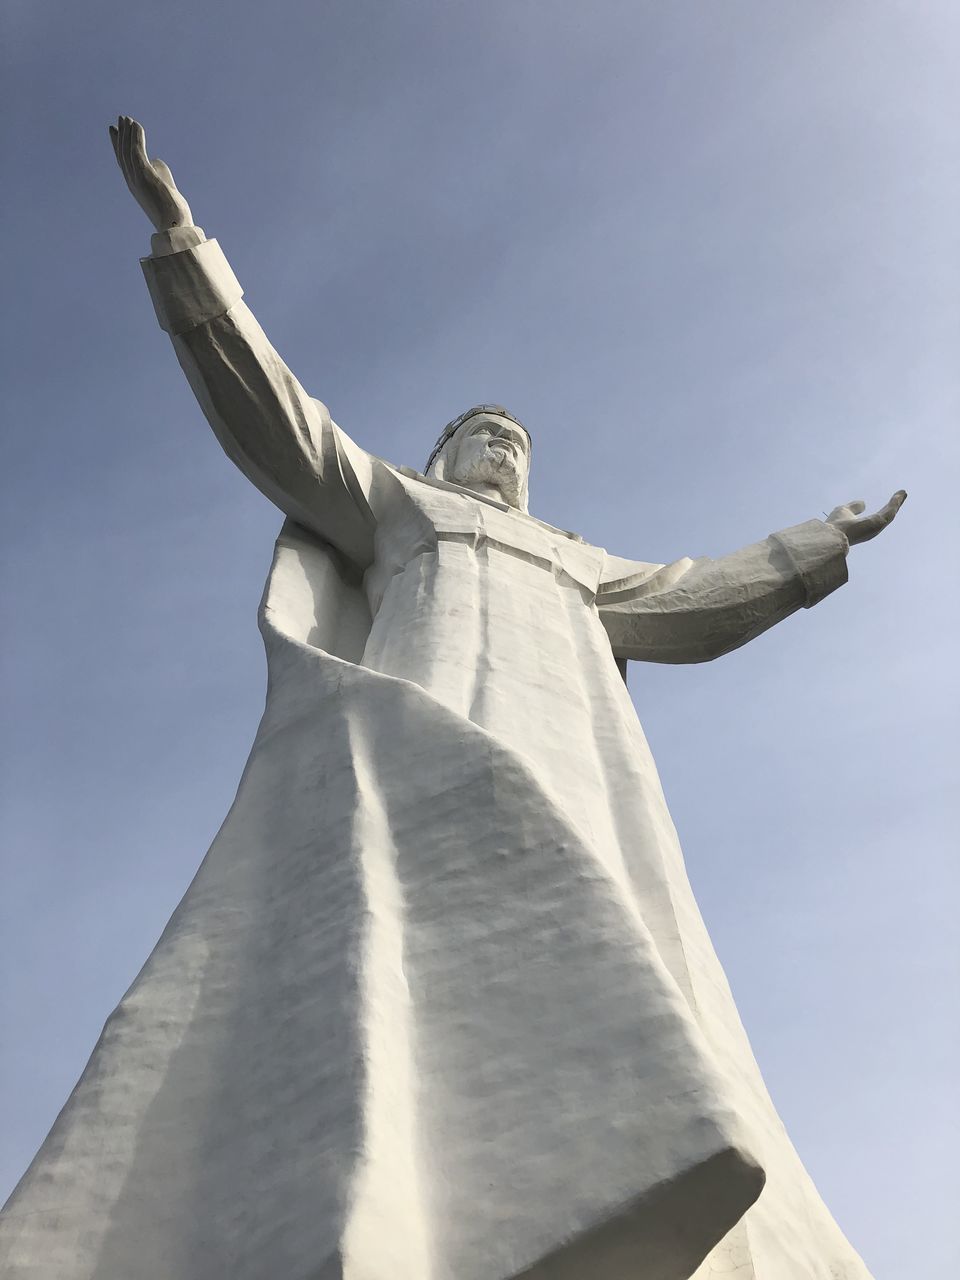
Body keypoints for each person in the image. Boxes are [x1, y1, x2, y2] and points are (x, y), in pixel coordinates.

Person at [0, 117, 905, 1280]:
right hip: (427, 721)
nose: (502, 449)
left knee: (607, 903)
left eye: (517, 441)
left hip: (581, 759)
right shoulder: (401, 513)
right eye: (481, 433)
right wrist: (186, 247)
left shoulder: (580, 563)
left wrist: (812, 544)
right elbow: (279, 419)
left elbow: (691, 597)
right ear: (439, 455)